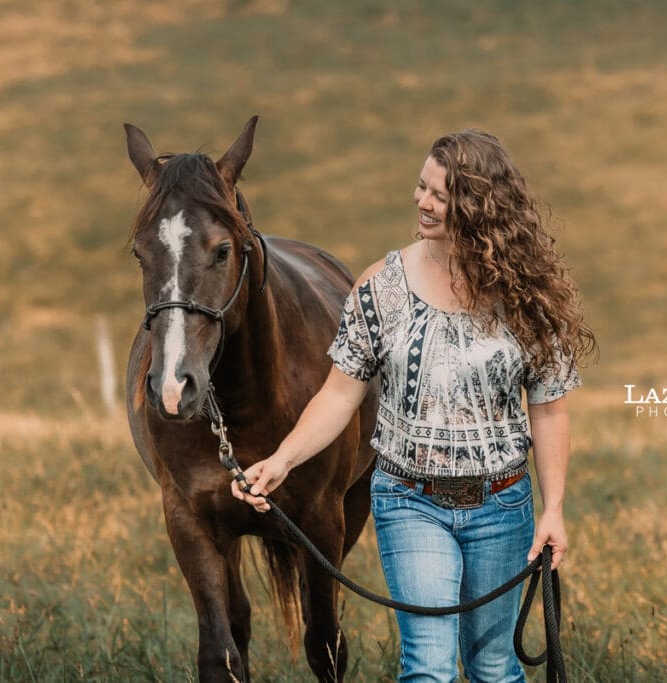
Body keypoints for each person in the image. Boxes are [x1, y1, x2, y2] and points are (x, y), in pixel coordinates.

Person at [231, 129, 596, 682]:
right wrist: (281, 460)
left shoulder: (526, 295)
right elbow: (339, 392)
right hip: (409, 500)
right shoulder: (382, 288)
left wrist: (553, 509)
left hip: (502, 505)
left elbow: (549, 410)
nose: (423, 202)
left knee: (494, 668)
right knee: (427, 668)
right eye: (421, 187)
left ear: (480, 208)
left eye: (441, 196)